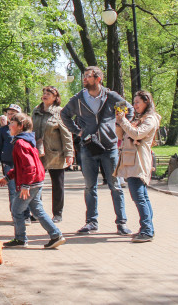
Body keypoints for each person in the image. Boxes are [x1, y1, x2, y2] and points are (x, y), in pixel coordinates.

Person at [60, 66, 132, 235]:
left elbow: (129, 110)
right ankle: (91, 222)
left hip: (109, 147)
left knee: (115, 186)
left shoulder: (111, 96)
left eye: (88, 76)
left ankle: (121, 223)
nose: (84, 79)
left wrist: (120, 126)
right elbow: (64, 115)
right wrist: (78, 131)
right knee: (89, 186)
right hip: (88, 147)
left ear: (98, 78)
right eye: (84, 76)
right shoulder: (78, 99)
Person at [0, 112, 66, 250]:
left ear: (20, 126)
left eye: (12, 123)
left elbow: (29, 166)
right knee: (37, 210)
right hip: (36, 181)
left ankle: (20, 239)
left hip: (31, 183)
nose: (9, 125)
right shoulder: (26, 141)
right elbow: (20, 166)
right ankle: (56, 235)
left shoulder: (20, 143)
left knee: (16, 210)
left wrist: (25, 185)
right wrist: (7, 177)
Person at [115, 90, 159, 242]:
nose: (135, 105)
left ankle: (147, 231)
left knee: (139, 197)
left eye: (137, 102)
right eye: (133, 102)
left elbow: (137, 134)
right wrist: (119, 121)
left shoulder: (150, 119)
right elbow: (121, 136)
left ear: (146, 102)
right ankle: (147, 228)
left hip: (140, 161)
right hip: (132, 161)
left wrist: (124, 122)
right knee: (142, 197)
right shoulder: (138, 118)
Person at [31, 86, 74, 223]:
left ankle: (57, 213)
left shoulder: (60, 112)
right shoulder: (36, 111)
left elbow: (66, 135)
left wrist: (69, 153)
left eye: (49, 93)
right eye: (44, 93)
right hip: (38, 154)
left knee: (58, 185)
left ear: (55, 97)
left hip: (56, 154)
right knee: (37, 184)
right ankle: (38, 212)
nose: (45, 95)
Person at [0, 105, 29, 221]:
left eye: (13, 113)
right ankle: (16, 216)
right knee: (13, 191)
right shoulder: (3, 130)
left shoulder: (25, 129)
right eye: (8, 113)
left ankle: (26, 216)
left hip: (23, 164)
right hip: (8, 163)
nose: (10, 115)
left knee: (24, 189)